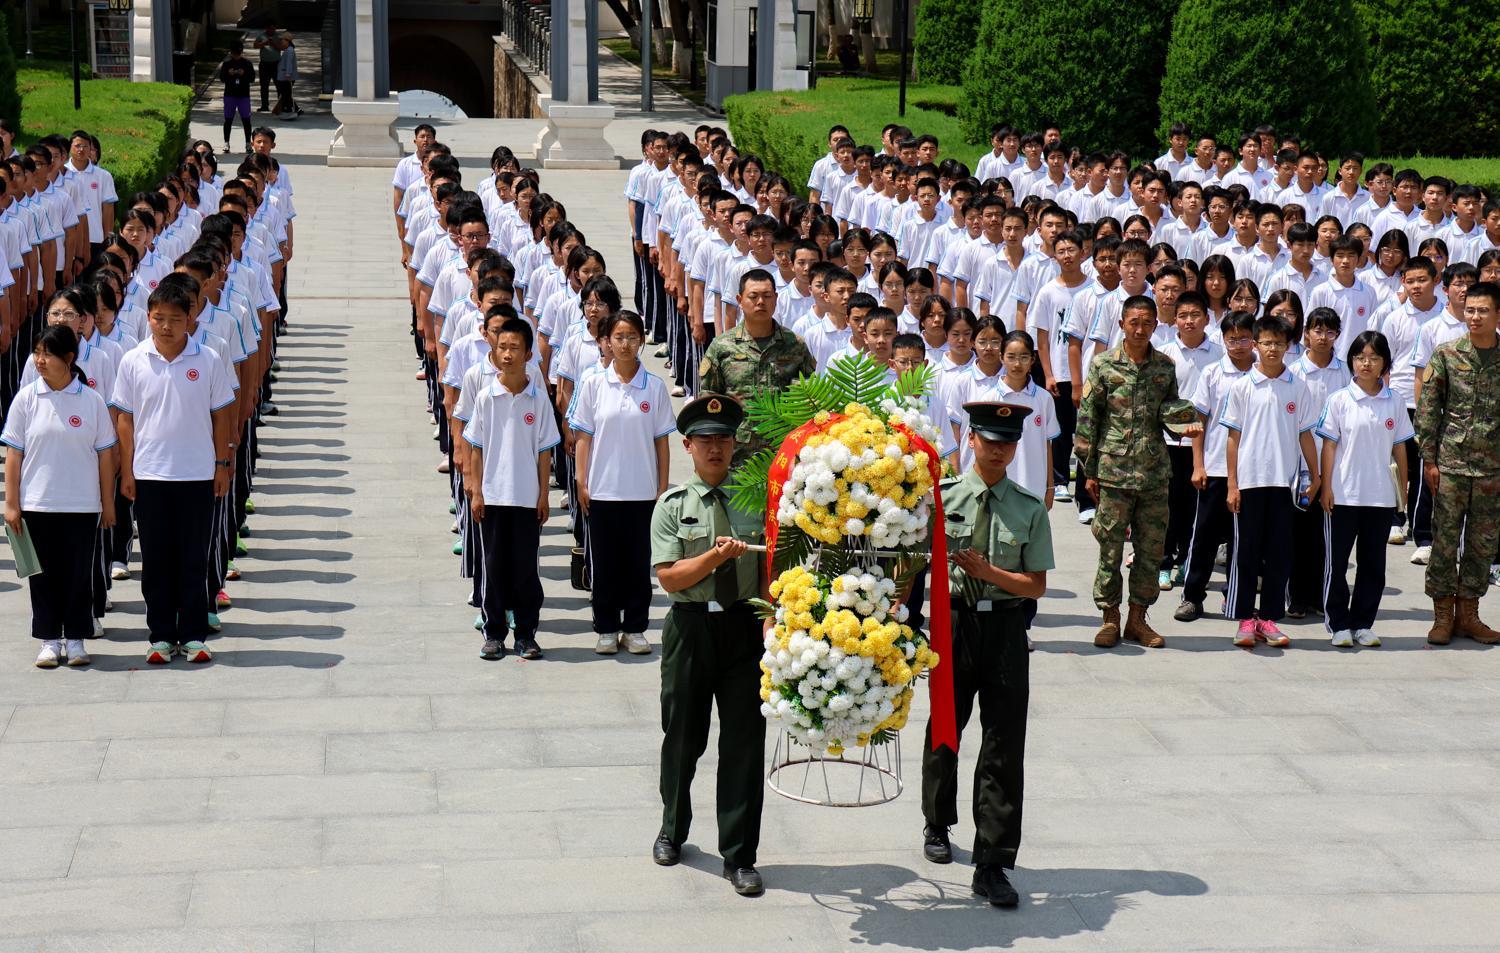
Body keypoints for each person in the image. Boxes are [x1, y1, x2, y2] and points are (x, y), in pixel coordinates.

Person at [922, 402, 1053, 909]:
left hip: (1004, 625)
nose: (998, 449)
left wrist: (987, 571)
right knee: (945, 729)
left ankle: (994, 860)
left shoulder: (1028, 506)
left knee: (1003, 740)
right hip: (953, 621)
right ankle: (937, 821)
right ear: (971, 439)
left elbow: (1035, 586)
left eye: (1007, 442)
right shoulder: (943, 496)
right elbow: (913, 561)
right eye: (989, 439)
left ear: (1016, 447)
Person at [649, 394, 768, 897]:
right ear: (688, 446)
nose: (715, 448)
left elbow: (771, 568)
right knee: (682, 735)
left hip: (743, 628)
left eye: (723, 439)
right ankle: (672, 829)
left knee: (744, 741)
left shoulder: (754, 500)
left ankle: (740, 854)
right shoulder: (673, 505)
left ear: (735, 443)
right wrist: (715, 560)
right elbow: (671, 578)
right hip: (691, 627)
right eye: (705, 440)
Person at [109, 279, 237, 665]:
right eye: (158, 318)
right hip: (150, 475)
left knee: (193, 558)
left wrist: (222, 464)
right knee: (157, 559)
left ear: (191, 318)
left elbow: (222, 416)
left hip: (197, 474)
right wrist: (127, 470)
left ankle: (194, 634)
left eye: (175, 319)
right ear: (148, 317)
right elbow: (125, 420)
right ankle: (162, 635)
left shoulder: (208, 359)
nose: (166, 326)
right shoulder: (133, 360)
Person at [1075, 295, 1201, 648]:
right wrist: (1090, 470)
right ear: (1122, 325)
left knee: (1150, 550)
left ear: (1155, 325)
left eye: (1147, 323)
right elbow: (1088, 420)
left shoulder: (1164, 366)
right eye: (1134, 322)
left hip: (1153, 473)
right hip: (1113, 473)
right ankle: (1109, 618)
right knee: (1110, 550)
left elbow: (1167, 410)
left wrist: (1184, 422)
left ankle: (1137, 618)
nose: (1141, 329)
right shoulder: (1102, 366)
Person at [2, 326, 117, 668]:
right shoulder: (26, 399)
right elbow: (13, 454)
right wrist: (11, 503)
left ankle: (77, 639)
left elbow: (105, 455)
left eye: (47, 354)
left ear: (68, 358)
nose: (39, 360)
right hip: (38, 503)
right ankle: (50, 640)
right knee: (43, 576)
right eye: (37, 352)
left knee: (78, 574)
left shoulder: (91, 400)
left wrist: (107, 504)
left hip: (81, 504)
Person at [570, 310, 676, 655]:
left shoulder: (654, 387)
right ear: (607, 342)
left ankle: (634, 628)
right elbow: (583, 436)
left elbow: (662, 441)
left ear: (641, 341)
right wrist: (581, 480)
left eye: (632, 337)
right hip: (602, 491)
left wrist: (662, 488)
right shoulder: (593, 384)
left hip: (642, 492)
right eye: (618, 337)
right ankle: (605, 627)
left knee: (637, 564)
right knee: (604, 564)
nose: (625, 344)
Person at [1221, 315, 1321, 647]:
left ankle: (1268, 619)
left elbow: (1305, 434)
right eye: (1266, 343)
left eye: (1279, 343)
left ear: (1289, 346)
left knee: (1280, 553)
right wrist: (1232, 484)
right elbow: (1233, 438)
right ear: (1255, 345)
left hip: (1285, 483)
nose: (1273, 349)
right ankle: (1245, 619)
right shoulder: (1242, 386)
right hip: (1250, 482)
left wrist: (1316, 475)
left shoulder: (1297, 386)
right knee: (1246, 552)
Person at [462, 315, 558, 661]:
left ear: (528, 354)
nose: (507, 354)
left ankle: (527, 634)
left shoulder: (538, 397)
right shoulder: (487, 396)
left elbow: (545, 450)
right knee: (494, 566)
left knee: (525, 570)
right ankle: (494, 632)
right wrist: (476, 491)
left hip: (526, 498)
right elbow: (476, 447)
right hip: (494, 496)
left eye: (514, 348)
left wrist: (544, 494)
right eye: (502, 347)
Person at [1414, 280, 1500, 644]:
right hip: (1450, 465)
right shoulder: (1447, 354)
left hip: (1491, 470)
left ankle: (1470, 614)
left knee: (1483, 545)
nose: (1475, 316)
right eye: (1470, 309)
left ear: (1497, 314)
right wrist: (1429, 460)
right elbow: (1429, 411)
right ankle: (1443, 616)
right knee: (1445, 543)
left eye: (1483, 310)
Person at [1317, 330, 1412, 647]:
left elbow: (1400, 449)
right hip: (1344, 495)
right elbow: (1328, 446)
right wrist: (1326, 487)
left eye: (1373, 358)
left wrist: (1403, 491)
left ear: (1385, 363)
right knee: (1337, 564)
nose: (1366, 364)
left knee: (1373, 565)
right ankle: (1338, 623)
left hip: (1380, 496)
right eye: (1360, 357)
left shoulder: (1394, 401)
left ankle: (1363, 623)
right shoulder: (1339, 400)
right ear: (1352, 361)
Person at [698, 268, 815, 464]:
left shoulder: (795, 345)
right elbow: (709, 397)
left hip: (783, 450)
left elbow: (809, 395)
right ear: (740, 299)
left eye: (767, 296)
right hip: (737, 453)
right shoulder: (722, 346)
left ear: (776, 298)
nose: (761, 302)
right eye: (753, 296)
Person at [218, 41, 256, 154]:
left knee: (246, 120)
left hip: (243, 95)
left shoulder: (247, 63)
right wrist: (228, 74)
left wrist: (244, 73)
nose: (236, 55)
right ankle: (226, 142)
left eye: (238, 53)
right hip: (230, 95)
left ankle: (248, 143)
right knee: (228, 119)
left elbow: (252, 79)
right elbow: (222, 78)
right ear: (231, 52)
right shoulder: (226, 64)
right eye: (235, 53)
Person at [272, 37, 304, 119]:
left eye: (283, 40)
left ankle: (289, 109)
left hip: (286, 76)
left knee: (286, 93)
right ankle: (295, 109)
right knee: (286, 93)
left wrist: (288, 73)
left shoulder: (289, 50)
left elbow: (289, 63)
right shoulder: (288, 50)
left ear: (287, 41)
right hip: (284, 75)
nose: (281, 42)